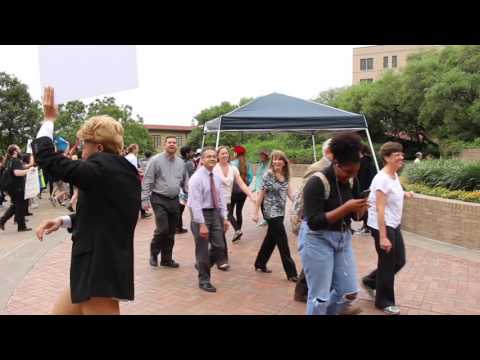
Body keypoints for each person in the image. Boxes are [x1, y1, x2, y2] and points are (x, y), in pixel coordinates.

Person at [34, 86, 140, 315]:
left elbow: (46, 158)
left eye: (85, 145)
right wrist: (63, 221)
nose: (81, 151)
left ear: (99, 147)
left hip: (97, 269)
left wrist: (48, 119)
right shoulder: (125, 172)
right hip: (97, 265)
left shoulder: (100, 167)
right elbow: (104, 214)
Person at [298, 133, 368, 315]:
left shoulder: (352, 179)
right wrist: (346, 208)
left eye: (354, 172)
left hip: (343, 240)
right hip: (317, 239)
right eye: (347, 172)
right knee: (319, 296)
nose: (350, 176)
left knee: (349, 292)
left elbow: (355, 218)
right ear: (336, 163)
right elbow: (314, 222)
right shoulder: (317, 181)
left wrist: (361, 209)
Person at [361, 142, 414, 315]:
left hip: (394, 224)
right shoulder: (382, 179)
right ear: (386, 158)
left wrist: (404, 194)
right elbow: (379, 209)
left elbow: (394, 194)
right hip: (383, 226)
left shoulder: (393, 175)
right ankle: (384, 302)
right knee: (387, 263)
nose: (401, 157)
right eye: (396, 155)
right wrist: (383, 237)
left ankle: (370, 281)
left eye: (401, 154)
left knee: (399, 260)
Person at [293, 138, 333, 303]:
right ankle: (309, 294)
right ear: (328, 152)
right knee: (317, 259)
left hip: (329, 220)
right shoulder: (317, 169)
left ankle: (303, 291)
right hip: (314, 219)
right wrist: (301, 217)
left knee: (318, 259)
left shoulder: (335, 168)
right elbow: (303, 195)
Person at [142, 136, 188, 269]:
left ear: (176, 145)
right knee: (163, 229)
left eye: (174, 142)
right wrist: (144, 199)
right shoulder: (155, 160)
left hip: (174, 200)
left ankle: (166, 259)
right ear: (164, 144)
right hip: (158, 198)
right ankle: (154, 252)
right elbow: (148, 180)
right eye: (169, 142)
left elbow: (185, 182)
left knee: (171, 231)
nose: (172, 144)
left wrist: (189, 196)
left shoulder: (181, 163)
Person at [187, 147, 229, 292]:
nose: (212, 158)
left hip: (215, 214)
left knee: (220, 247)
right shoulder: (196, 178)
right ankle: (204, 280)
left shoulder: (216, 176)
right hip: (201, 216)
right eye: (208, 156)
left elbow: (221, 197)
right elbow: (195, 203)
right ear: (202, 160)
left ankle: (202, 266)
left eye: (213, 156)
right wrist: (202, 224)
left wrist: (225, 217)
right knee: (203, 251)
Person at [253, 150, 298, 282]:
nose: (276, 161)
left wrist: (299, 204)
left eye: (279, 159)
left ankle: (260, 263)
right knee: (282, 240)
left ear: (284, 162)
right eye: (274, 159)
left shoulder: (285, 174)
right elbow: (261, 194)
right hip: (270, 211)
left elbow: (290, 193)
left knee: (271, 238)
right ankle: (292, 273)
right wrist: (255, 212)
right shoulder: (268, 175)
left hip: (280, 211)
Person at [213, 146, 255, 270]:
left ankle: (211, 257)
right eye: (222, 153)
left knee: (220, 232)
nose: (225, 155)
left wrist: (251, 195)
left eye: (226, 153)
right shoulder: (214, 169)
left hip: (226, 203)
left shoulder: (233, 168)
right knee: (219, 232)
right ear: (218, 156)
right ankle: (221, 260)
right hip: (214, 205)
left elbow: (241, 183)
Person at [0, 144, 35, 232]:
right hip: (17, 187)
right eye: (18, 149)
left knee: (16, 206)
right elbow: (17, 172)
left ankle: (3, 221)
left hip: (12, 187)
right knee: (20, 206)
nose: (20, 150)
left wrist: (30, 167)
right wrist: (29, 171)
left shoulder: (10, 161)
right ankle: (21, 226)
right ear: (15, 151)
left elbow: (22, 167)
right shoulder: (15, 161)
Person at [229, 145, 254, 242]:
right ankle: (238, 233)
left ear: (236, 153)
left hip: (232, 192)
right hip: (243, 192)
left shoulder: (232, 163)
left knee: (229, 212)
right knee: (239, 212)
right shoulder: (248, 163)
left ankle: (237, 230)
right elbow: (250, 178)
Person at [355, 144, 377, 235]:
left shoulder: (362, 161)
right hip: (368, 187)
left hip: (363, 187)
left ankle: (367, 227)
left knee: (365, 207)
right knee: (366, 207)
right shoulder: (370, 160)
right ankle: (366, 226)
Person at [126, 144, 152, 220]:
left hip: (127, 178)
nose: (138, 150)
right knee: (138, 196)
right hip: (133, 180)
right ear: (134, 149)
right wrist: (140, 172)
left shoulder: (127, 156)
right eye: (137, 148)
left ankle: (142, 212)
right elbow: (133, 169)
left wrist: (139, 170)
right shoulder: (133, 157)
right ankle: (142, 213)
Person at [177, 145, 196, 234]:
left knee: (180, 209)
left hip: (180, 188)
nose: (193, 153)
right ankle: (178, 228)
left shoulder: (179, 161)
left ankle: (178, 227)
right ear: (187, 153)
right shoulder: (188, 163)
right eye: (191, 151)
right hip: (186, 189)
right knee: (182, 208)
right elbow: (192, 176)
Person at [254, 150, 270, 227]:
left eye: (262, 155)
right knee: (261, 204)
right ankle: (266, 219)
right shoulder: (260, 164)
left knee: (267, 204)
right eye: (260, 155)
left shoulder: (269, 165)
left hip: (266, 188)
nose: (261, 157)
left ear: (266, 156)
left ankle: (269, 219)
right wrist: (255, 187)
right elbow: (258, 176)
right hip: (259, 188)